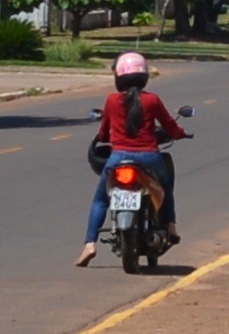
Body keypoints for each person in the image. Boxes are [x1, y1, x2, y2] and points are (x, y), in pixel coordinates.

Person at [77, 45, 187, 267]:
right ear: (144, 76)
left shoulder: (111, 101)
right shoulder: (152, 100)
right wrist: (182, 134)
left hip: (118, 158)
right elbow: (170, 126)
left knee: (100, 200)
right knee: (165, 189)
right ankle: (172, 227)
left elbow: (103, 132)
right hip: (150, 157)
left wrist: (101, 138)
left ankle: (89, 244)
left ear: (118, 76)